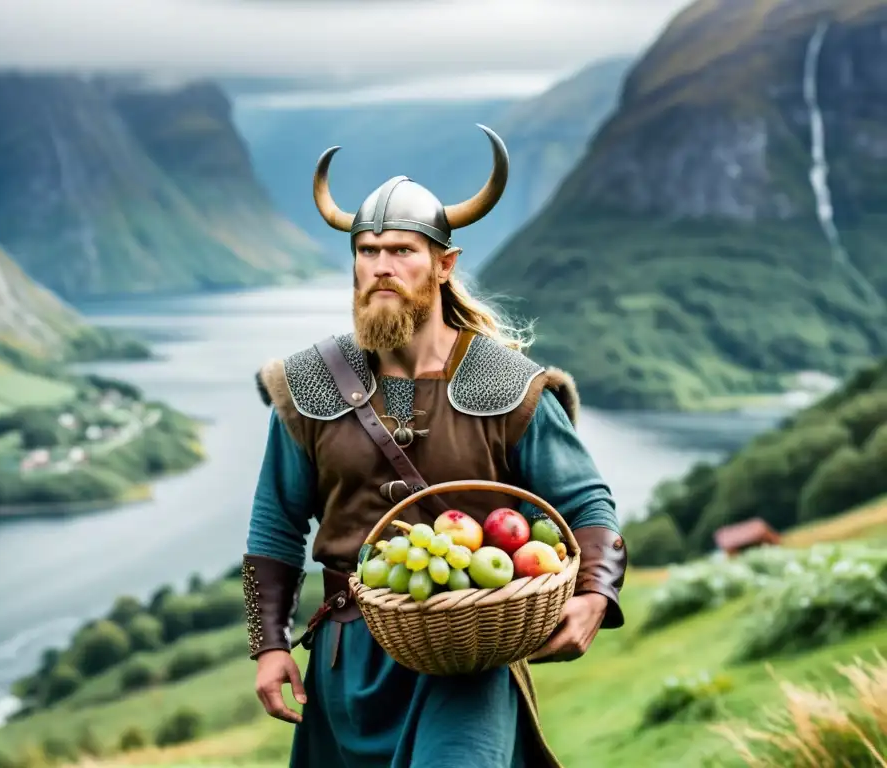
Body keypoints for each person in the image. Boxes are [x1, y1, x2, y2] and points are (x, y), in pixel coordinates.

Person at [242, 124, 627, 768]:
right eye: (366, 252)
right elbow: (274, 522)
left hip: (469, 656)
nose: (381, 267)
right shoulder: (307, 384)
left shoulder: (509, 384)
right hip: (347, 662)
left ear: (444, 265)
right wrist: (269, 644)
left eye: (400, 251)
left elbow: (587, 504)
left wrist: (594, 594)